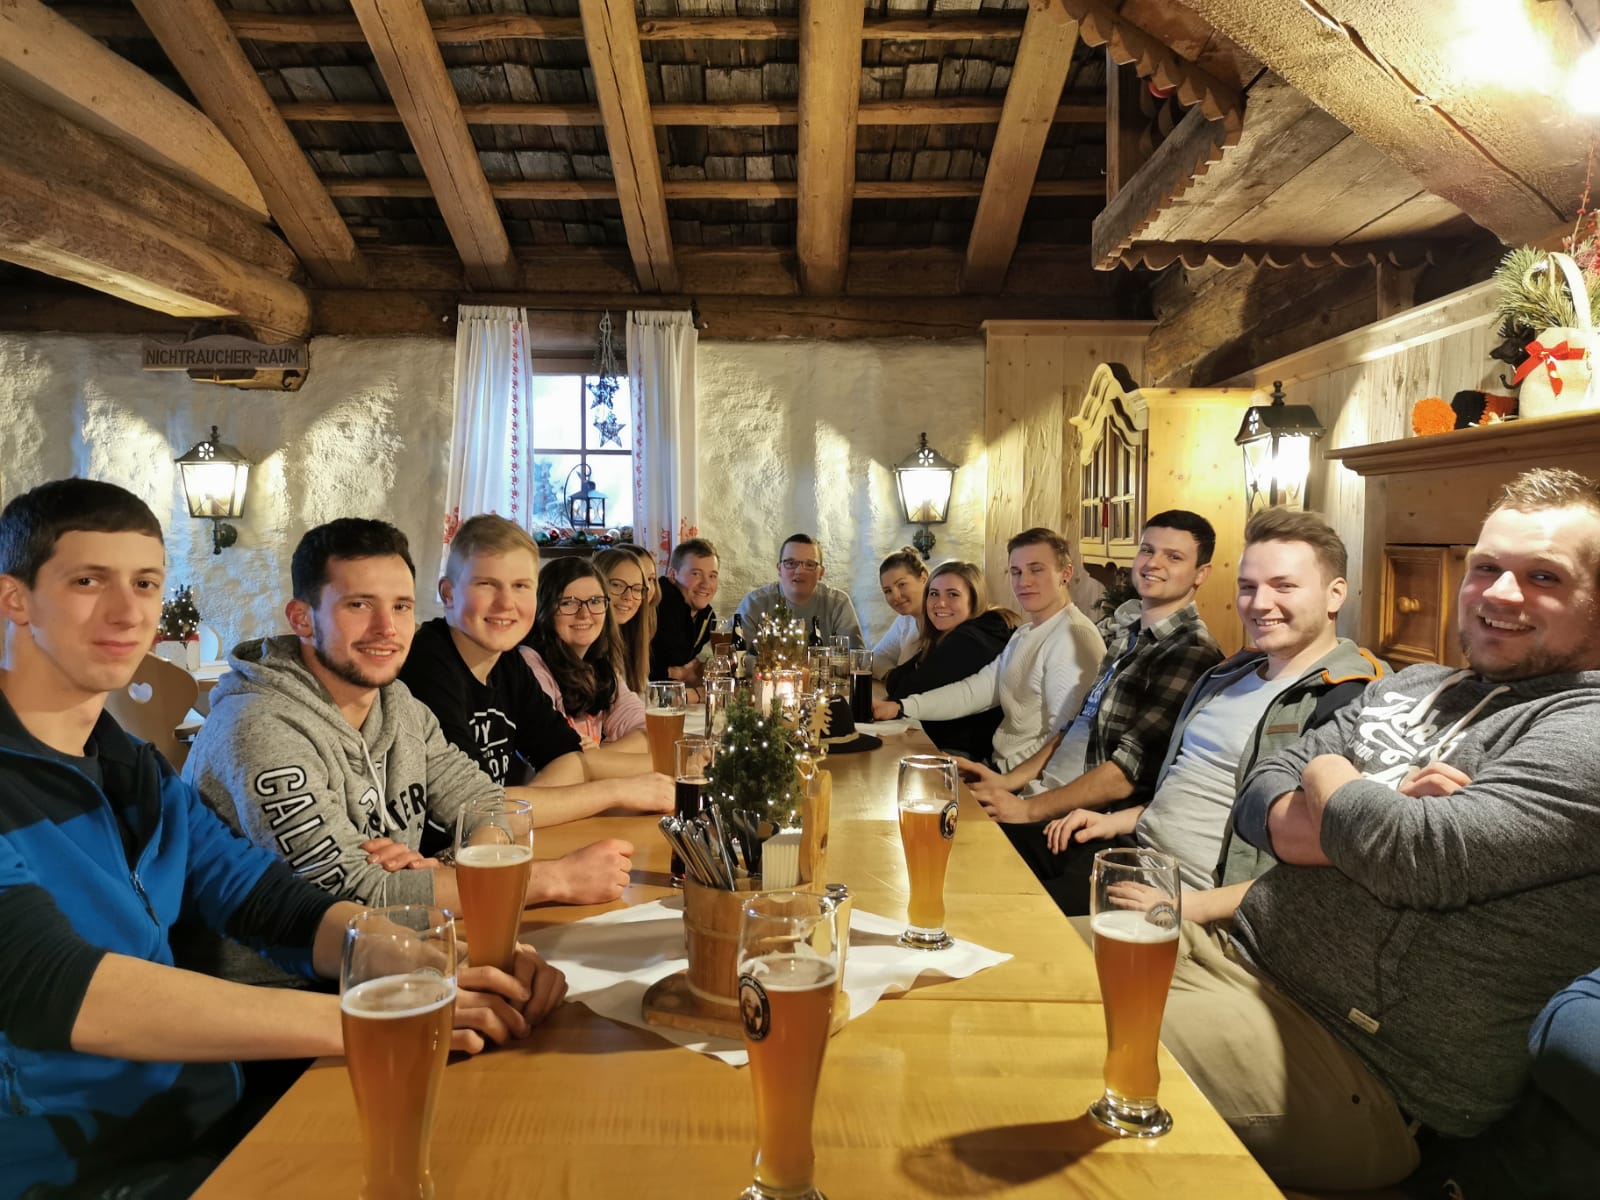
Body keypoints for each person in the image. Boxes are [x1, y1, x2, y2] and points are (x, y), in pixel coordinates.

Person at [0, 480, 565, 1196]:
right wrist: (371, 1014)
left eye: (144, 583)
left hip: (200, 1115)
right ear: (15, 599)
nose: (127, 611)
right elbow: (58, 986)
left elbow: (265, 899)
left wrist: (435, 959)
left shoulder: (130, 767)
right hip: (68, 1168)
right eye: (87, 581)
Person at [1158, 468, 1600, 1191]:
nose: (1499, 593)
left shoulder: (1586, 726)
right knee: (1020, 972)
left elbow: (1415, 856)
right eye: (1485, 567)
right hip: (1230, 955)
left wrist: (1333, 777)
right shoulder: (1415, 684)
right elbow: (1259, 787)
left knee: (1064, 1042)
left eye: (1543, 576)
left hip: (1355, 1068)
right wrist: (1372, 803)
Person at [184, 518, 644, 962]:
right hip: (282, 990)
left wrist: (447, 868)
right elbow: (356, 896)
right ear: (302, 619)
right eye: (358, 605)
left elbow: (487, 805)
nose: (387, 628)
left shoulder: (397, 702)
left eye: (401, 606)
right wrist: (553, 880)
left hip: (400, 950)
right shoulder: (258, 727)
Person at [1038, 508, 1383, 918]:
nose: (1260, 603)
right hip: (1133, 853)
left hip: (1197, 905)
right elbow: (1195, 788)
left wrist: (1189, 906)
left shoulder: (1352, 700)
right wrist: (1118, 821)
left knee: (1017, 926)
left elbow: (1341, 855)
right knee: (991, 872)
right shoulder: (1228, 674)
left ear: (1335, 594)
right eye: (1248, 587)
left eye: (1284, 586)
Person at [393, 515, 669, 827]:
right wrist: (616, 792)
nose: (506, 603)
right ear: (448, 594)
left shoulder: (508, 663)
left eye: (520, 586)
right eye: (486, 584)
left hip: (491, 846)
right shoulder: (428, 663)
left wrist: (515, 816)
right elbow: (477, 807)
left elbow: (569, 757)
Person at [874, 527, 1105, 774]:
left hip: (1023, 783)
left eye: (1036, 569)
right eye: (1016, 572)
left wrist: (1001, 776)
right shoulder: (1025, 633)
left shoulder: (1073, 636)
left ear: (1066, 574)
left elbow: (1067, 739)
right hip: (999, 767)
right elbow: (975, 691)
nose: (1024, 581)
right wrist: (902, 707)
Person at [884, 560, 1017, 760]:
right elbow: (896, 680)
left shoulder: (972, 639)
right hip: (940, 743)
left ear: (974, 599)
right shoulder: (945, 637)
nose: (940, 603)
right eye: (934, 594)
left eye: (953, 594)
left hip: (964, 755)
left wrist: (911, 674)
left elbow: (904, 691)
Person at [522, 557, 649, 752]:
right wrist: (593, 759)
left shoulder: (599, 665)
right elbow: (556, 751)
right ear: (544, 609)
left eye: (595, 601)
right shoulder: (530, 664)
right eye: (568, 603)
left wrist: (594, 758)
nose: (584, 614)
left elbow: (648, 730)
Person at [734, 533, 864, 646]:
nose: (800, 571)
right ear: (779, 569)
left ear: (821, 572)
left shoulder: (838, 604)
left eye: (809, 565)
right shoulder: (754, 603)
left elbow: (855, 659)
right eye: (791, 563)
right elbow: (734, 655)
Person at [650, 537, 720, 686]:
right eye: (696, 574)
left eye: (712, 576)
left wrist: (694, 669)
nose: (706, 584)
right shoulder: (658, 606)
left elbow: (687, 665)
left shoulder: (706, 616)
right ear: (672, 575)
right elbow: (636, 666)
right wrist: (678, 673)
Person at [595, 546, 651, 695]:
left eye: (637, 589)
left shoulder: (630, 639)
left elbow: (644, 697)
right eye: (617, 585)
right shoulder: (592, 648)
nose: (628, 597)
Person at [872, 547, 928, 677]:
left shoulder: (942, 620)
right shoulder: (905, 621)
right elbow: (875, 658)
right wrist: (893, 678)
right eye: (888, 591)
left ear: (923, 577)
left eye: (901, 584)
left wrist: (899, 681)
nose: (895, 596)